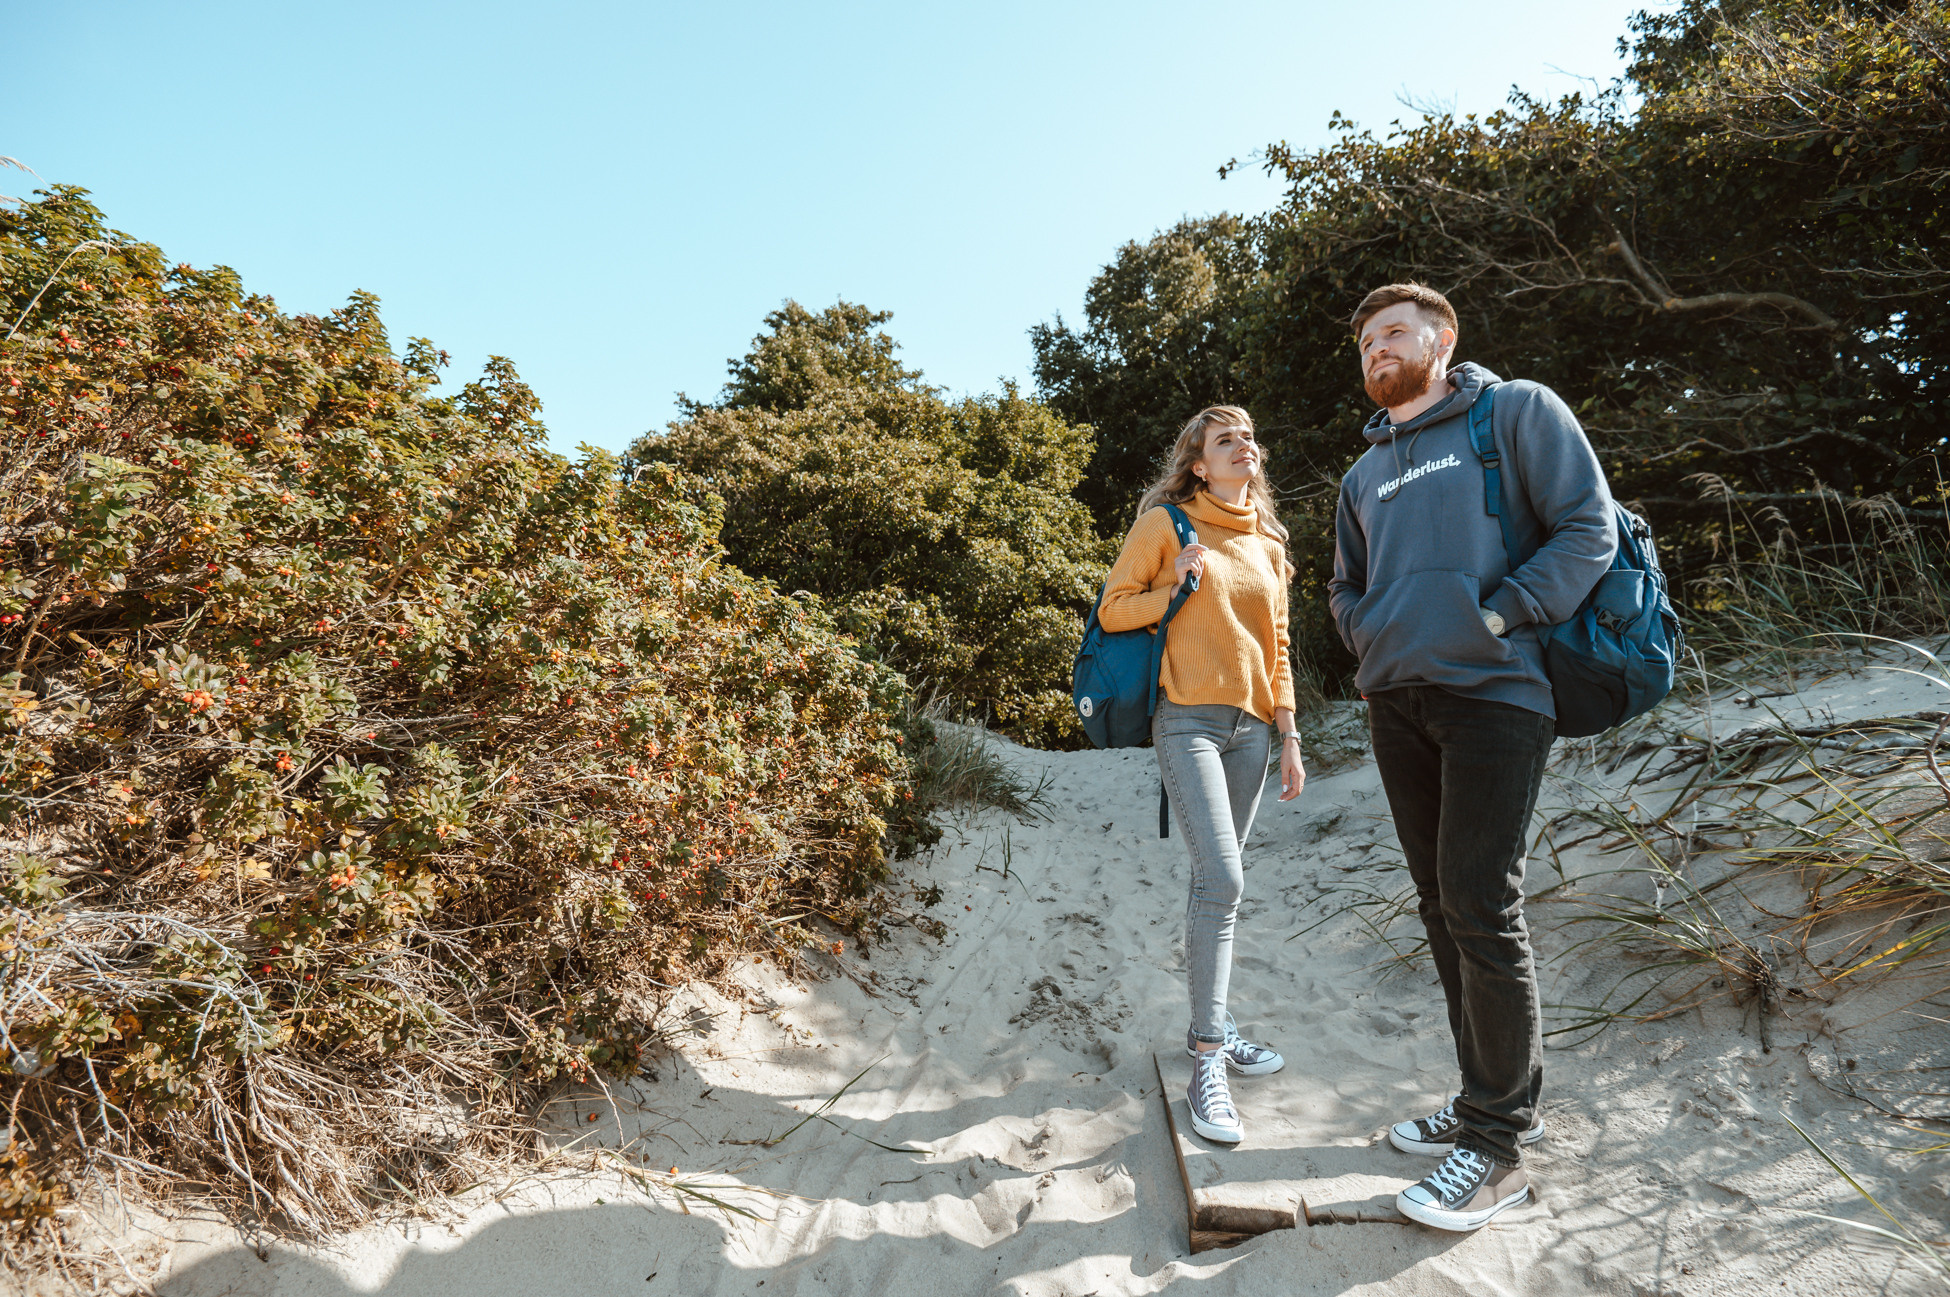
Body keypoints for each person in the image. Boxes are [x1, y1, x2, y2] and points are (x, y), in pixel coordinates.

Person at [1328, 283, 1617, 1230]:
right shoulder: (1362, 474)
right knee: (1441, 905)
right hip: (1396, 702)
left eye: (1395, 332)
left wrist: (1502, 611)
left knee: (1482, 901)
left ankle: (1495, 1146)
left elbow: (1589, 527)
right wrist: (1372, 641)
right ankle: (1478, 1093)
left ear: (1442, 339)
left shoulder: (1515, 411)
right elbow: (1344, 586)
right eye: (1367, 340)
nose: (1378, 349)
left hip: (1498, 695)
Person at [1098, 405, 1306, 1145]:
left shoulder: (1269, 542)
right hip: (1185, 719)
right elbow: (1113, 609)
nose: (1245, 446)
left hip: (1254, 731)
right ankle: (1207, 1060)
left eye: (1250, 436)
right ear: (1198, 464)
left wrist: (1288, 731)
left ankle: (1213, 1020)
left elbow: (1277, 644)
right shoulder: (1168, 526)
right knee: (1223, 879)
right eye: (1227, 441)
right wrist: (1175, 586)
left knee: (1215, 886)